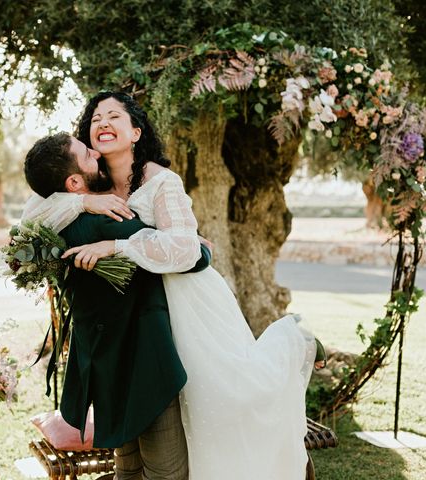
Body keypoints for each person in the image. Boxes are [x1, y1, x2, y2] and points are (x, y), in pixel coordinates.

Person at [23, 93, 321, 479]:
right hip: (137, 322)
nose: (103, 122)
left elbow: (184, 249)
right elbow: (28, 221)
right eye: (96, 118)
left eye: (115, 116)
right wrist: (84, 206)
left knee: (217, 406)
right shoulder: (86, 190)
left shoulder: (160, 180)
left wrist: (115, 245)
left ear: (135, 132)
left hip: (187, 304)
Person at [24, 132, 212, 479]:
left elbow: (29, 213)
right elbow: (194, 258)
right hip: (144, 358)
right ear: (75, 181)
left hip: (103, 359)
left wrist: (80, 202)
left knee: (127, 466)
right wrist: (198, 246)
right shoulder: (105, 219)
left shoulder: (50, 227)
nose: (95, 151)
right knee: (165, 470)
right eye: (86, 153)